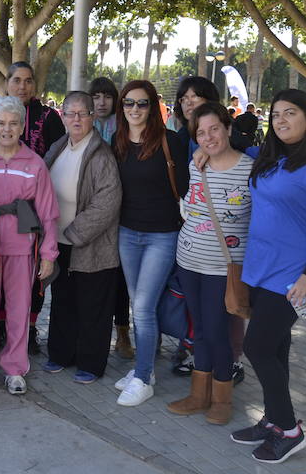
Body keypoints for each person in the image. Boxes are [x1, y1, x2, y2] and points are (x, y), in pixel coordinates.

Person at [230, 89, 306, 464]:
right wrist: (204, 150)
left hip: (294, 276)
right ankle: (272, 422)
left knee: (257, 348)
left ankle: (289, 429)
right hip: (261, 268)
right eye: (276, 114)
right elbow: (231, 147)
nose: (280, 120)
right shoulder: (271, 159)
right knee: (276, 348)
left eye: (290, 113)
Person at [0, 61, 65, 353]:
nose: (6, 129)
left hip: (22, 245)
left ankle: (15, 366)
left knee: (20, 309)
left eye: (13, 123)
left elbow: (48, 213)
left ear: (22, 126)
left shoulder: (35, 164)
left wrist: (48, 254)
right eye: (0, 123)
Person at [167, 102, 253, 426]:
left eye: (214, 129)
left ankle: (222, 399)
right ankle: (198, 395)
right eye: (200, 133)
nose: (208, 137)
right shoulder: (196, 165)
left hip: (223, 269)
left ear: (228, 129)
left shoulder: (249, 170)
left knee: (218, 333)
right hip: (189, 261)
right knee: (199, 330)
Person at [113, 80, 189, 406]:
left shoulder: (169, 142)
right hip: (128, 233)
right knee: (139, 304)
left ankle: (143, 377)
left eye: (142, 103)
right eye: (129, 103)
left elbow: (185, 186)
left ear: (153, 106)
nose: (135, 109)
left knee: (143, 307)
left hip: (162, 235)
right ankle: (146, 369)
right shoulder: (116, 143)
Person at [41, 91, 123, 384]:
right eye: (70, 113)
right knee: (63, 301)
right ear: (62, 116)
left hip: (91, 245)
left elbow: (108, 202)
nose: (76, 119)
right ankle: (61, 354)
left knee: (93, 306)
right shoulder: (58, 147)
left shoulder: (102, 155)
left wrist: (75, 233)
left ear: (92, 117)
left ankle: (91, 362)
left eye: (82, 113)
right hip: (58, 243)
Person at [89, 76, 134, 359]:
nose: (102, 101)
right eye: (97, 96)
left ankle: (122, 331)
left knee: (119, 275)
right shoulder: (83, 126)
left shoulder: (125, 128)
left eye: (107, 96)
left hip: (122, 211)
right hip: (89, 211)